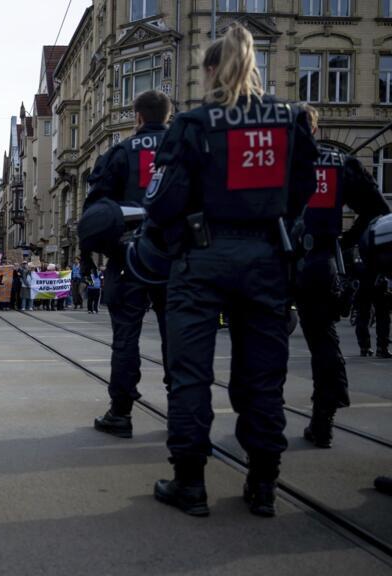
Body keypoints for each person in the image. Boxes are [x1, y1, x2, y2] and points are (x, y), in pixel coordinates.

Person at [144, 24, 318, 518]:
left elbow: (163, 200)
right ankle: (263, 482)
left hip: (202, 257)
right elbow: (302, 187)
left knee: (191, 373)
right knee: (263, 375)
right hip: (266, 257)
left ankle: (190, 483)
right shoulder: (288, 121)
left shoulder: (195, 124)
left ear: (212, 70)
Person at [297, 105, 390, 448]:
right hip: (320, 263)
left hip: (275, 265)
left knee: (263, 344)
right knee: (324, 342)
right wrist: (349, 244)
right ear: (316, 131)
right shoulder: (338, 163)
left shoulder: (273, 163)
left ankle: (262, 423)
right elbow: (378, 210)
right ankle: (324, 421)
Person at [84, 90, 173, 439]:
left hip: (128, 257)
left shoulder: (119, 153)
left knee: (125, 339)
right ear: (169, 116)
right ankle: (182, 411)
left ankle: (120, 413)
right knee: (177, 339)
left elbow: (95, 210)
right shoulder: (184, 151)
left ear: (137, 117)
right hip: (173, 257)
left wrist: (92, 252)